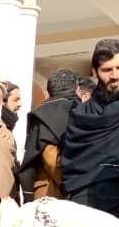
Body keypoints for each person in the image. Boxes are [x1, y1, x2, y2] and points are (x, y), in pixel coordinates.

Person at [62, 39, 119, 217]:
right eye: (107, 69)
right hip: (85, 199)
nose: (114, 75)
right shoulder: (81, 115)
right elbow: (71, 162)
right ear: (94, 71)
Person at [18, 69, 79, 202]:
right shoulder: (82, 111)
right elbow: (51, 158)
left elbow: (47, 155)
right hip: (66, 191)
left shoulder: (43, 114)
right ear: (77, 89)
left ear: (49, 92)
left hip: (49, 192)